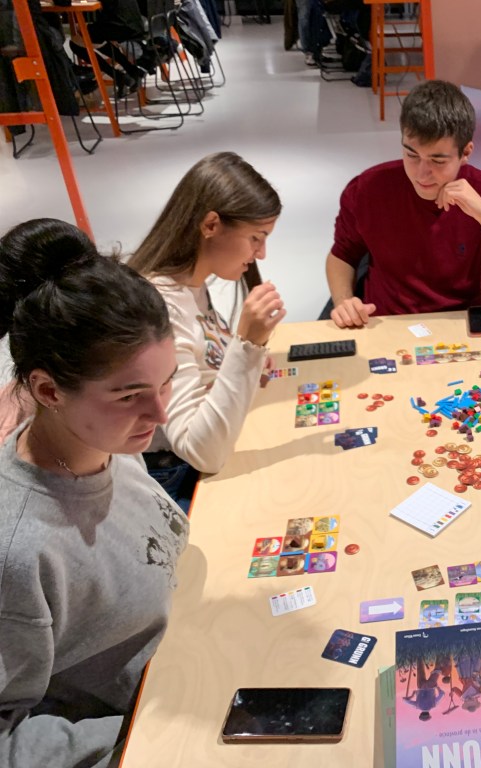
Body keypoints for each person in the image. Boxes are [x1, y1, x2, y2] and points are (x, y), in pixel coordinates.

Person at [0, 218, 188, 768]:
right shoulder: (19, 550)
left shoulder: (109, 444)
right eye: (130, 395)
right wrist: (138, 738)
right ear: (48, 390)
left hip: (190, 670)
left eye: (167, 382)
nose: (160, 414)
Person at [127, 152, 286, 503]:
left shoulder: (191, 285)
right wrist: (247, 347)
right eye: (256, 238)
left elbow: (203, 362)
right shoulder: (161, 308)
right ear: (211, 225)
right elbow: (202, 452)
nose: (261, 254)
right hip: (174, 478)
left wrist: (241, 363)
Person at [325, 79, 481, 328]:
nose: (421, 174)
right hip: (387, 322)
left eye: (438, 161)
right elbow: (342, 255)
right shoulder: (367, 188)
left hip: (462, 322)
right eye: (412, 155)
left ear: (466, 153)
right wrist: (344, 301)